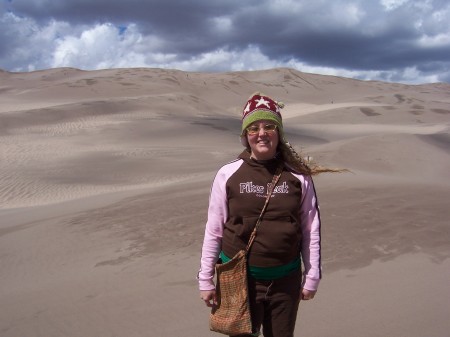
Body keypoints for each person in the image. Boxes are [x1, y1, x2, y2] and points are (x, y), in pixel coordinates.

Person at [198, 92, 339, 337]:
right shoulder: (228, 174)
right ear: (245, 135)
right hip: (239, 281)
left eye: (269, 126)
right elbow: (214, 228)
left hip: (285, 282)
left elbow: (310, 228)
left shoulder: (298, 177)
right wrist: (206, 278)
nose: (261, 133)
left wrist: (313, 274)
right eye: (253, 128)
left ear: (279, 132)